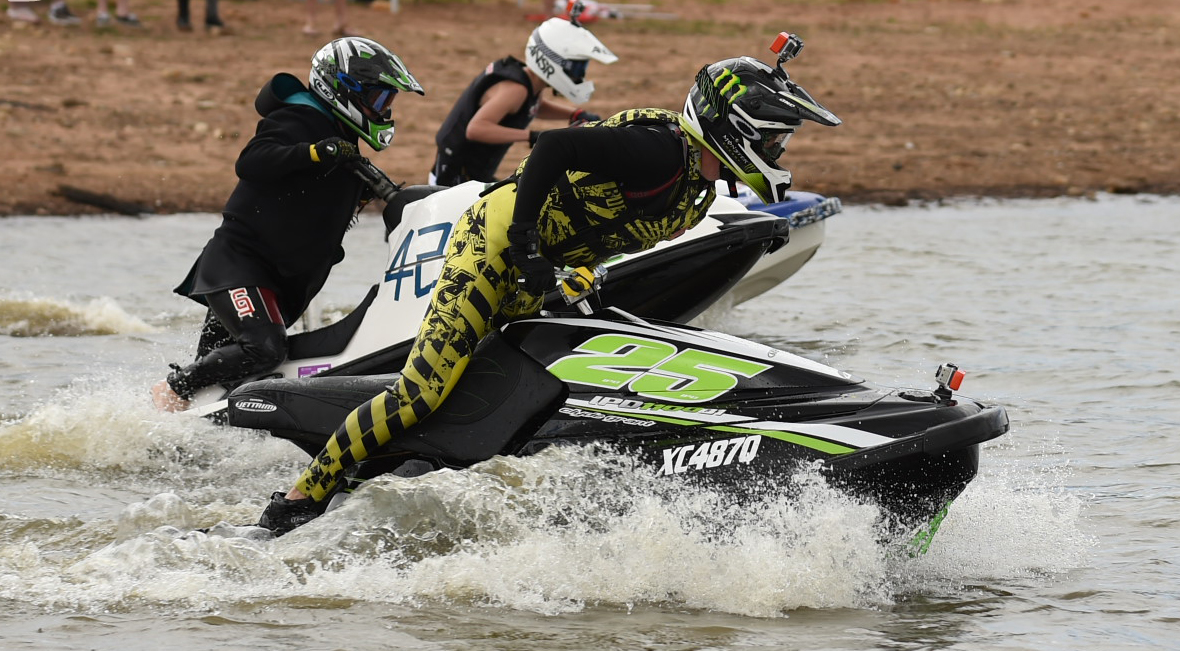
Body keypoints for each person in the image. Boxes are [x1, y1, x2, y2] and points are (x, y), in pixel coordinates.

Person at [254, 34, 843, 535]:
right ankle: (298, 501)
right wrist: (526, 242)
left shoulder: (697, 186)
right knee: (421, 393)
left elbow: (613, 227)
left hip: (540, 269)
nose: (778, 150)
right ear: (737, 129)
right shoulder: (660, 150)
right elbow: (556, 146)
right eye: (774, 138)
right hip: (493, 248)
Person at [151, 37, 424, 412]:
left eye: (387, 102)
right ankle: (172, 388)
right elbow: (251, 161)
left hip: (282, 283)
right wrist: (314, 152)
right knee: (264, 349)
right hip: (240, 266)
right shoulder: (299, 119)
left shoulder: (346, 147)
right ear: (345, 89)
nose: (384, 110)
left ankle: (181, 426)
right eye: (378, 99)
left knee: (228, 380)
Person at [429, 14, 616, 187]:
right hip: (454, 177)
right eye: (575, 69)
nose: (578, 75)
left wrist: (574, 114)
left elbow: (533, 107)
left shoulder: (531, 82)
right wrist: (533, 136)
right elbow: (476, 129)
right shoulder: (515, 90)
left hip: (473, 172)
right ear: (550, 60)